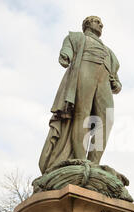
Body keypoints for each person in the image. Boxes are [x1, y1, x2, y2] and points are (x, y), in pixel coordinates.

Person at [39, 16, 121, 173]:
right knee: (82, 114)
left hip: (103, 82)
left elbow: (116, 82)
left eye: (101, 23)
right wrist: (65, 54)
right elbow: (67, 51)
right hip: (85, 72)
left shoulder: (110, 53)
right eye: (97, 21)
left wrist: (117, 84)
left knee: (107, 119)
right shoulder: (76, 37)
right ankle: (80, 160)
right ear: (87, 24)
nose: (101, 25)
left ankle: (94, 163)